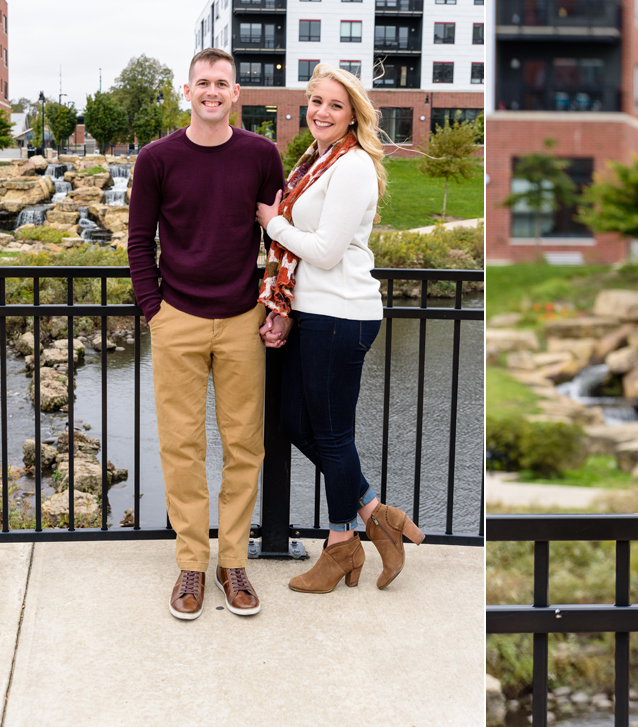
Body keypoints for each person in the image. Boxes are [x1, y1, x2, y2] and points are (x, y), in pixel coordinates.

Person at [255, 63, 425, 594]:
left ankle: (341, 546)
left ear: (353, 114)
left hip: (342, 313)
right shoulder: (317, 161)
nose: (321, 112)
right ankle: (377, 513)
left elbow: (327, 252)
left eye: (334, 104)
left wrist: (273, 223)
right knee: (294, 420)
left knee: (330, 434)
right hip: (313, 311)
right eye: (316, 101)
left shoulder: (350, 166)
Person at [128, 47, 285, 620]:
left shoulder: (262, 156)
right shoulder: (157, 159)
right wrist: (155, 310)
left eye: (223, 83)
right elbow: (139, 240)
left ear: (236, 92)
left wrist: (276, 304)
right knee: (181, 446)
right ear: (188, 91)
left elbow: (278, 241)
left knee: (245, 444)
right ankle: (192, 564)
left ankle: (233, 562)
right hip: (178, 321)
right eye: (203, 83)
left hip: (244, 320)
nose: (212, 91)